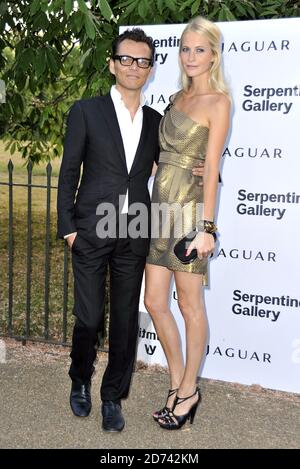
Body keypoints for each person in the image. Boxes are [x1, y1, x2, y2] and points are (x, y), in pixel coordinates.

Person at [145, 16, 231, 430]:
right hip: (159, 210)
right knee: (155, 303)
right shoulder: (176, 97)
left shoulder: (218, 101)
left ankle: (189, 390)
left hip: (189, 215)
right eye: (185, 48)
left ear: (213, 55)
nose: (191, 56)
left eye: (200, 49)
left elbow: (211, 165)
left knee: (189, 304)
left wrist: (207, 229)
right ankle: (178, 381)